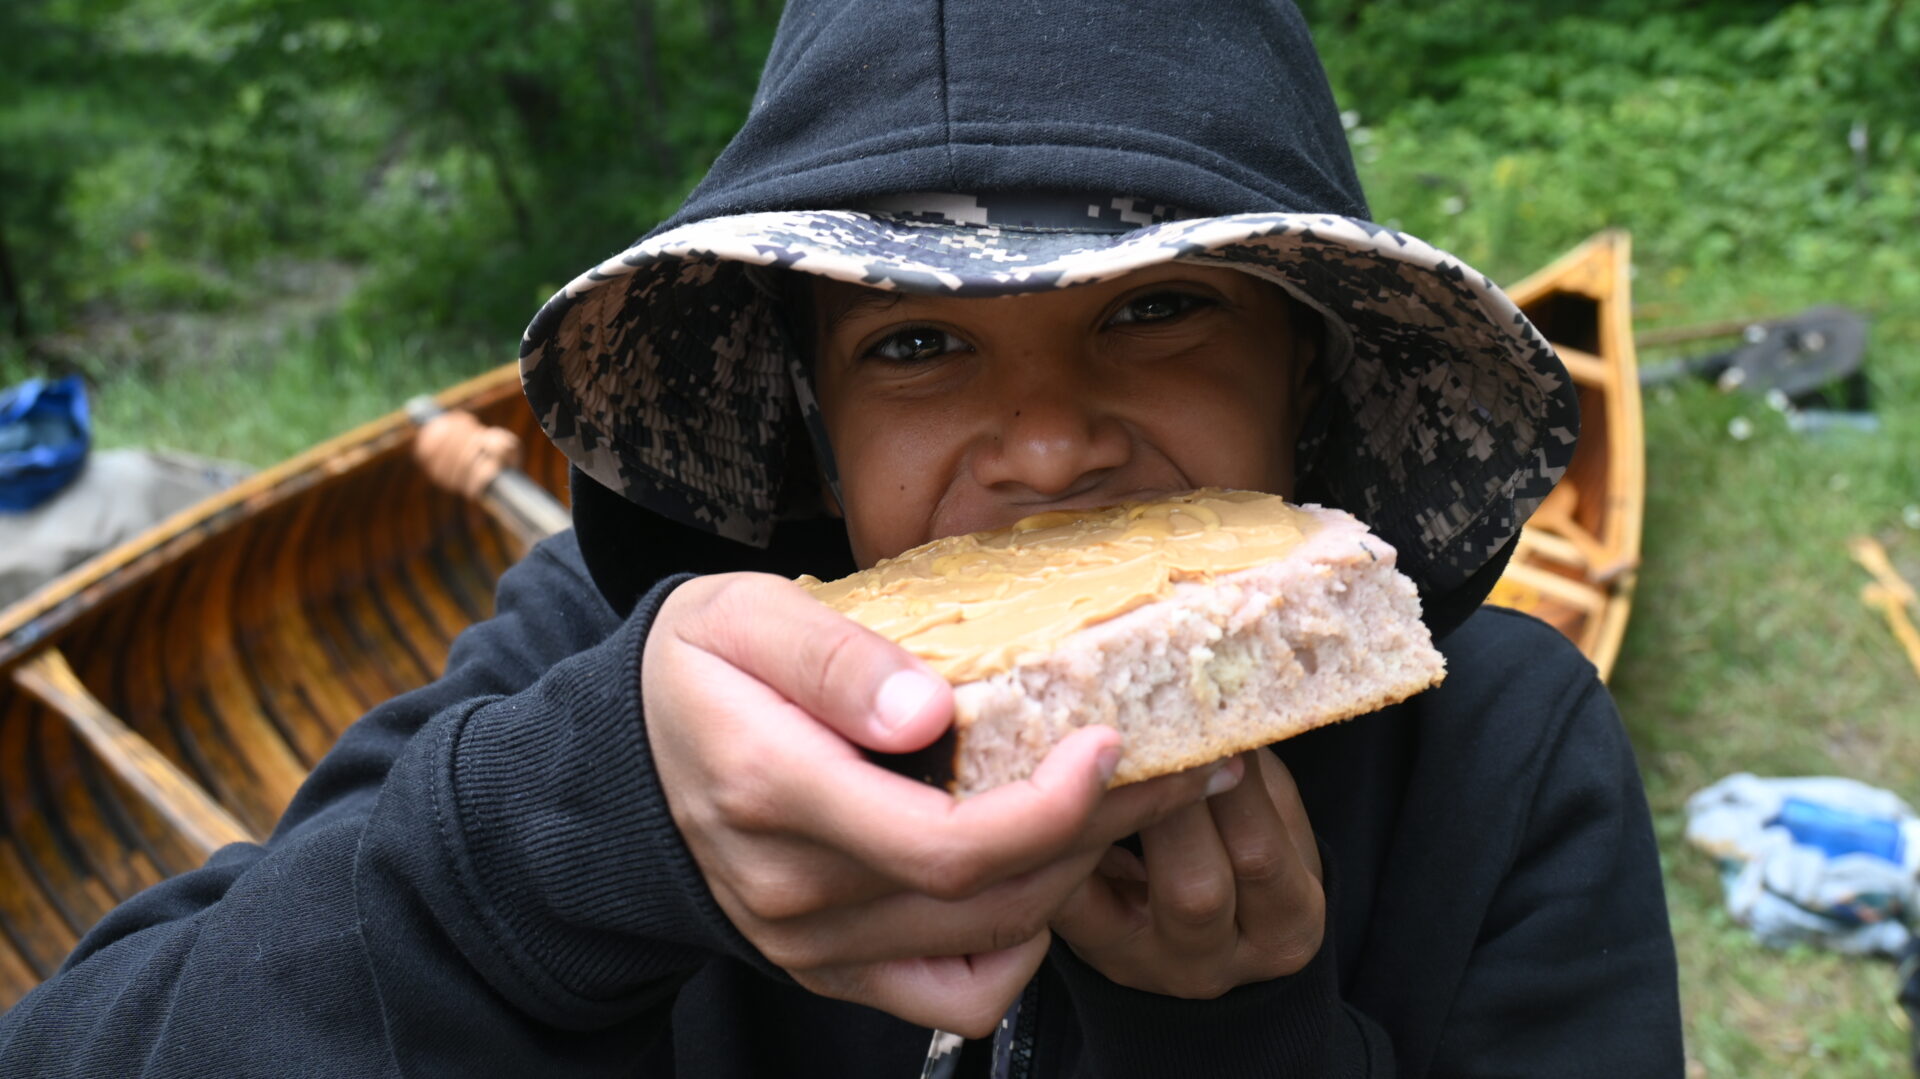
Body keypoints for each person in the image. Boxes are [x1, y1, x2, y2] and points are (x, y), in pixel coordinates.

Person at [0, 0, 1683, 1075]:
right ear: (807, 418)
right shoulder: (594, 671)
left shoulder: (1502, 749)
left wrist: (1236, 1043)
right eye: (918, 344)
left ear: (1306, 368)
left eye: (1162, 308)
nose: (1047, 445)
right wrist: (568, 850)